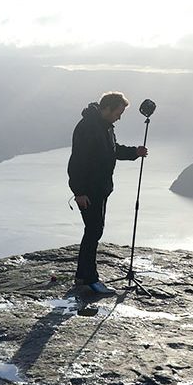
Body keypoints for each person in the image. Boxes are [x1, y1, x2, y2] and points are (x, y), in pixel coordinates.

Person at [68, 92, 148, 295]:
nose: (119, 117)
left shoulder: (105, 127)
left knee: (94, 230)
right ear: (107, 108)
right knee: (94, 230)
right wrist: (79, 192)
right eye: (118, 113)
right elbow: (76, 162)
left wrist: (134, 153)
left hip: (100, 188)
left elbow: (112, 151)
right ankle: (90, 279)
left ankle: (82, 276)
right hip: (89, 191)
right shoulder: (87, 127)